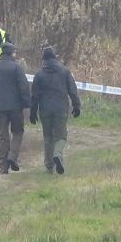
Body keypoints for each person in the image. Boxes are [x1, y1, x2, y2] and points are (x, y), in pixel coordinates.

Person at [29, 47, 81, 175]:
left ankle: (49, 167)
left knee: (47, 137)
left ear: (44, 60)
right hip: (61, 109)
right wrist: (76, 106)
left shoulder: (39, 75)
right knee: (61, 136)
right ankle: (57, 154)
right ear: (55, 57)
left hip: (45, 110)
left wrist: (32, 112)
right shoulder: (65, 72)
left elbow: (34, 96)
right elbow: (73, 91)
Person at [0, 42, 30, 174]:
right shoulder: (16, 68)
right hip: (15, 107)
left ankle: (3, 166)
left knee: (2, 136)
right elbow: (24, 86)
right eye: (15, 52)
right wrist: (26, 103)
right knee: (17, 132)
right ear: (11, 53)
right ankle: (13, 157)